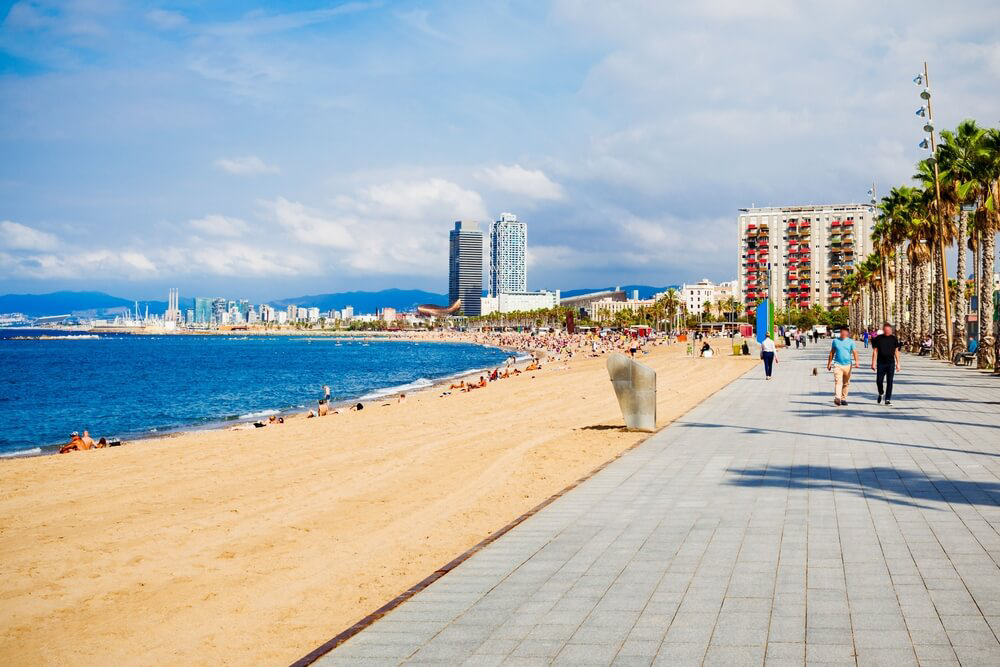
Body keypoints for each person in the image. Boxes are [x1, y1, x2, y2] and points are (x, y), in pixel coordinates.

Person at [827, 328, 860, 406]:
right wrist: (829, 363)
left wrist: (857, 362)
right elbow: (832, 352)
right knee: (838, 381)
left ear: (848, 333)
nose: (843, 333)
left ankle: (843, 398)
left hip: (848, 365)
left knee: (846, 383)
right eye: (842, 332)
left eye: (845, 332)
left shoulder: (851, 342)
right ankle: (837, 398)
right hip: (837, 364)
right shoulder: (835, 341)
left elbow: (855, 352)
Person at [871, 323, 901, 405]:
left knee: (890, 381)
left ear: (891, 330)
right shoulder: (879, 338)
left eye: (889, 330)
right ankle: (881, 392)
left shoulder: (894, 339)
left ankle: (887, 399)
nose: (888, 332)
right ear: (884, 330)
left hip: (890, 363)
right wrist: (873, 363)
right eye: (886, 330)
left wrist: (898, 363)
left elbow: (896, 351)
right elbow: (875, 351)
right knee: (879, 381)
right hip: (881, 363)